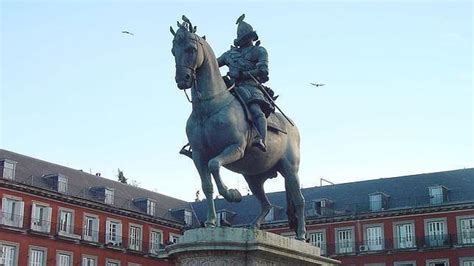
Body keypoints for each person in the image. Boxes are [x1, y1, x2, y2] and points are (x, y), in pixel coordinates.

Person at [217, 14, 274, 152]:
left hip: (251, 86)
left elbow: (263, 71)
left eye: (247, 37)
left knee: (255, 110)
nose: (245, 40)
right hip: (231, 86)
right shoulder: (229, 54)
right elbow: (213, 64)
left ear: (252, 37)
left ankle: (261, 138)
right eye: (242, 38)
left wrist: (242, 74)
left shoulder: (259, 51)